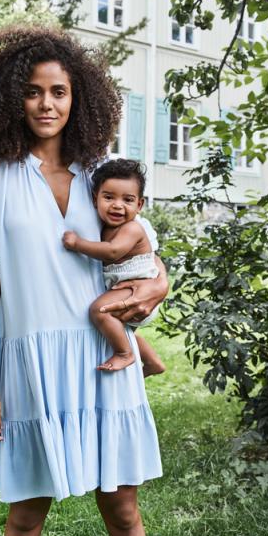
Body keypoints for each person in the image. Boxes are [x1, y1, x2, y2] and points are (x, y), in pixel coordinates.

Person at [0, 25, 168, 536]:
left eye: (59, 91)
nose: (46, 103)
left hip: (102, 358)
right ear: (9, 97)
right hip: (29, 366)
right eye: (32, 90)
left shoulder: (104, 174)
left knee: (122, 510)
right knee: (25, 515)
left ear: (79, 98)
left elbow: (144, 253)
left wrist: (160, 283)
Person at [62, 159, 168, 376]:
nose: (117, 205)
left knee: (99, 312)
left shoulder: (132, 228)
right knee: (121, 329)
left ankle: (124, 354)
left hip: (137, 287)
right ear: (95, 199)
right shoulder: (104, 226)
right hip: (125, 285)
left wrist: (77, 243)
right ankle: (152, 362)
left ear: (139, 206)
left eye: (127, 200)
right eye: (109, 197)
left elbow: (112, 251)